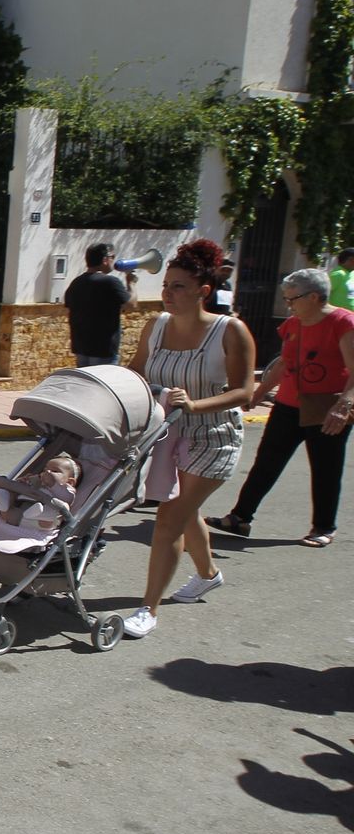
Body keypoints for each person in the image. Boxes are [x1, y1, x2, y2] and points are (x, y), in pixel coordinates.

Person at [122, 238, 255, 639]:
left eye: (178, 286)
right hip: (166, 432)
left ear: (203, 291)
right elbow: (135, 373)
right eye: (166, 285)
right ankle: (208, 574)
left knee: (169, 519)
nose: (168, 293)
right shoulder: (155, 325)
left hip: (213, 436)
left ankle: (148, 609)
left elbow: (245, 392)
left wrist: (195, 406)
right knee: (184, 509)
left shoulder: (230, 331)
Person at [207, 268, 354, 548]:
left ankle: (324, 526)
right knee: (266, 463)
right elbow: (282, 365)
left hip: (326, 407)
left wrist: (344, 404)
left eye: (292, 299)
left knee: (325, 468)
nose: (288, 305)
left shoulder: (343, 323)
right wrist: (256, 393)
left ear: (314, 297)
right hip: (288, 405)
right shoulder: (293, 325)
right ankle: (239, 517)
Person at [63, 243, 137, 367]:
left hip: (81, 347)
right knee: (101, 384)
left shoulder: (76, 283)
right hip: (104, 349)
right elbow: (131, 305)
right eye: (112, 256)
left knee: (86, 384)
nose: (114, 260)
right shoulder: (111, 282)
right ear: (105, 260)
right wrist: (131, 283)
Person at [0, 453, 79, 529]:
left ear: (70, 481)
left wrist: (53, 484)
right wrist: (23, 482)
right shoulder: (38, 482)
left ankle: (40, 513)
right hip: (16, 514)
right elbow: (20, 489)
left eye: (55, 471)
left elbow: (66, 497)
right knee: (11, 492)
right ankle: (3, 503)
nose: (47, 472)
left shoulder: (67, 490)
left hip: (41, 522)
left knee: (63, 507)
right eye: (45, 469)